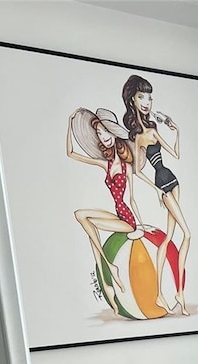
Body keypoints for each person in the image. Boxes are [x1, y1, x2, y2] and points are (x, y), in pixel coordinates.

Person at [122, 74, 190, 315]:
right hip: (161, 182)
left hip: (173, 179)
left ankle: (172, 294)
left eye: (149, 97)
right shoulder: (138, 137)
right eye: (142, 96)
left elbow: (175, 154)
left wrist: (177, 131)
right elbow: (137, 171)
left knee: (170, 236)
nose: (147, 102)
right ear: (132, 99)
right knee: (187, 234)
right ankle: (169, 293)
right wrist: (155, 191)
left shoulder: (153, 127)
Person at [67, 107, 146, 310]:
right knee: (81, 216)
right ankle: (109, 270)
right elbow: (71, 153)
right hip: (117, 213)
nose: (103, 138)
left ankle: (109, 272)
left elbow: (132, 198)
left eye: (106, 132)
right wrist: (69, 123)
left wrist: (141, 225)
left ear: (115, 133)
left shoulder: (127, 168)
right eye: (100, 134)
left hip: (128, 221)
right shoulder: (106, 165)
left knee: (88, 224)